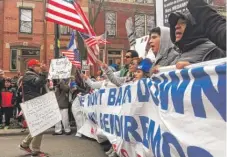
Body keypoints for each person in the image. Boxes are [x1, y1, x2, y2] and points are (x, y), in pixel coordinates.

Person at [19, 59, 49, 157]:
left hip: (35, 103)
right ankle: (36, 150)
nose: (39, 67)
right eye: (38, 66)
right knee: (39, 127)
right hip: (33, 104)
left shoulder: (32, 75)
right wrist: (44, 72)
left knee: (37, 126)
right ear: (32, 66)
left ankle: (24, 144)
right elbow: (38, 83)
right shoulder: (28, 75)